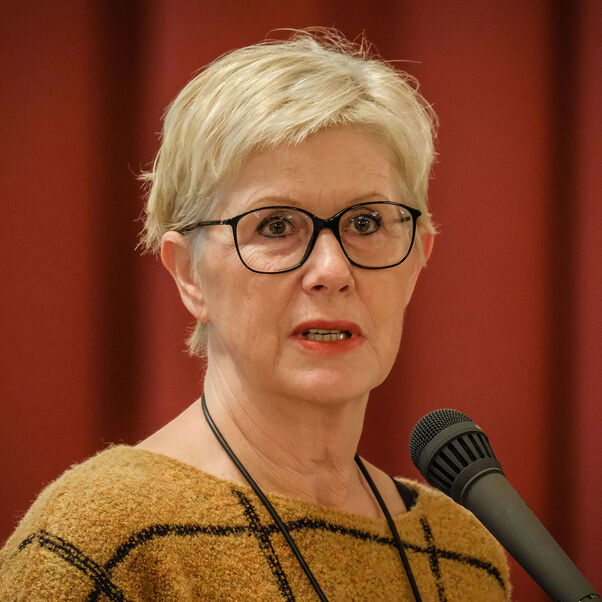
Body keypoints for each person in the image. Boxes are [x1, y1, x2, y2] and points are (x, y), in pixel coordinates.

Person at [0, 30, 510, 600]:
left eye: (365, 223)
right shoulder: (100, 542)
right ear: (188, 274)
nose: (331, 270)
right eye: (276, 225)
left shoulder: (463, 555)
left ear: (417, 260)